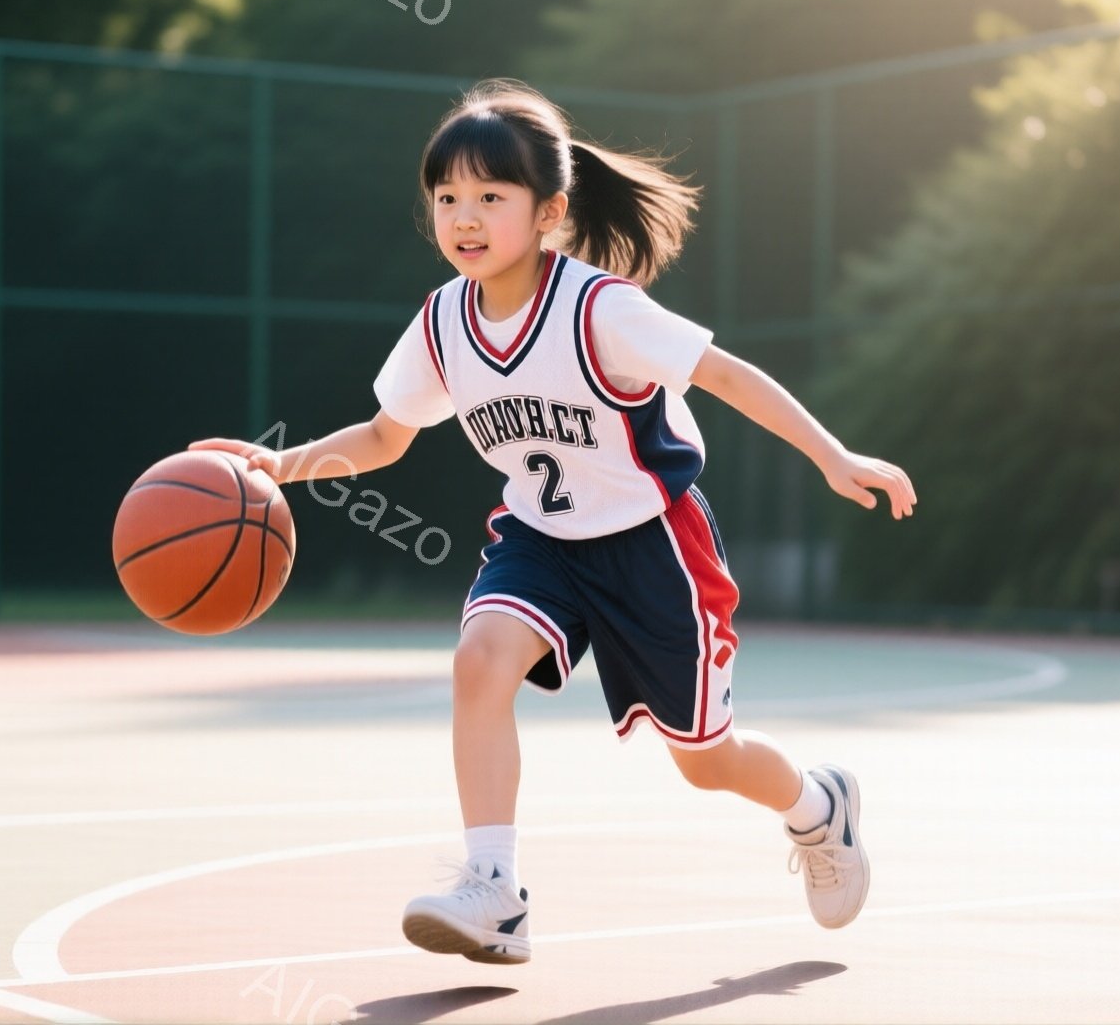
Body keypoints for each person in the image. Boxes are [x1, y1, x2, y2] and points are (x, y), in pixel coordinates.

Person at [191, 78, 917, 965]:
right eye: (447, 197)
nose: (464, 215)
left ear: (548, 212)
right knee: (478, 662)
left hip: (654, 543)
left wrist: (833, 455)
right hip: (539, 539)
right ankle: (494, 891)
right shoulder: (444, 322)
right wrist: (282, 464)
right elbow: (386, 436)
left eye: (491, 196)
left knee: (706, 759)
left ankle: (816, 805)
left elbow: (725, 375)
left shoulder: (598, 308)